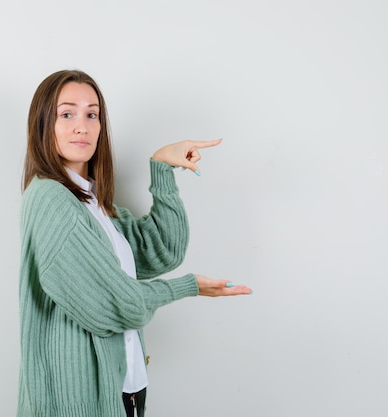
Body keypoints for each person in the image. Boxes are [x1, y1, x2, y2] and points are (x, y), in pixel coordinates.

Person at [18, 69, 251, 417]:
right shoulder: (51, 199)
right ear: (42, 125)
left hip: (125, 387)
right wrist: (188, 287)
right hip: (77, 399)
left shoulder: (92, 202)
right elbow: (117, 303)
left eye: (92, 114)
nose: (82, 125)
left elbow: (162, 249)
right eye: (66, 114)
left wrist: (161, 168)